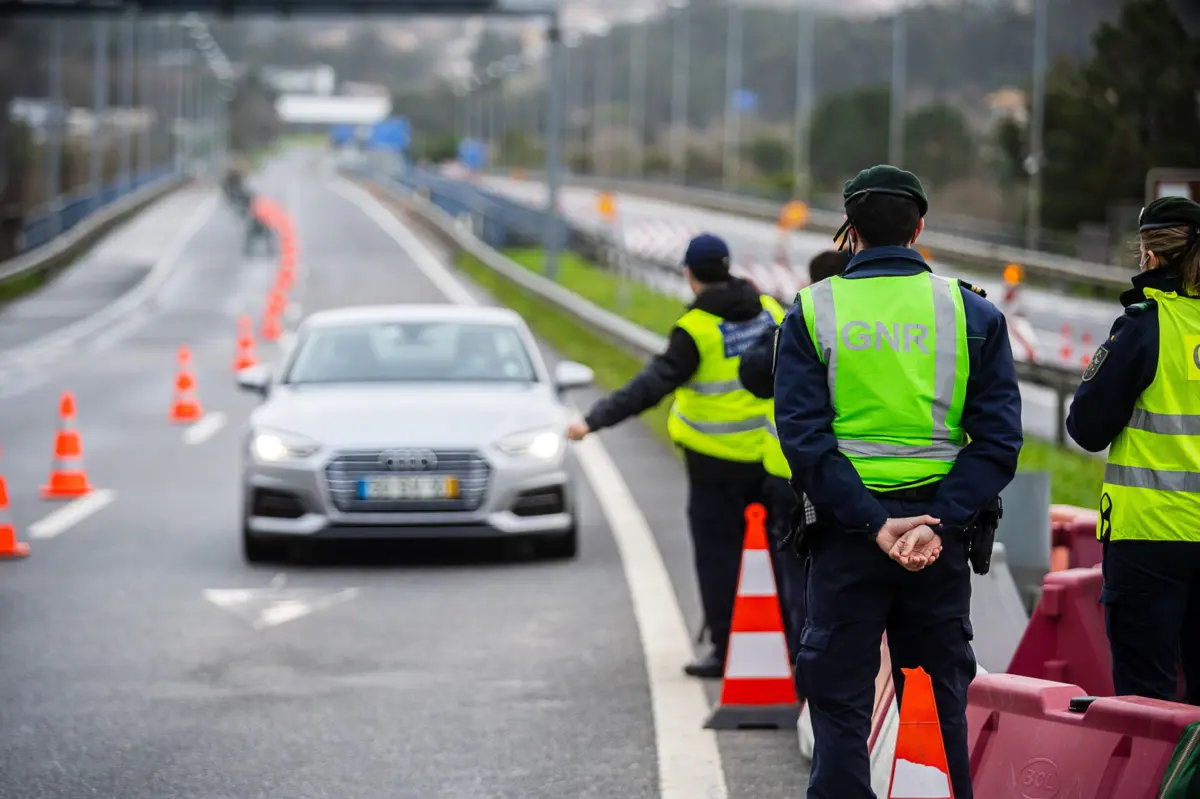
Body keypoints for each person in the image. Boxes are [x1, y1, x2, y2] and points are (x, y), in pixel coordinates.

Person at [774, 165, 1022, 799]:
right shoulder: (971, 313)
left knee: (839, 708)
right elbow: (997, 442)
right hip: (938, 542)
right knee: (941, 711)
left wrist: (874, 523)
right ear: (920, 228)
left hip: (845, 534)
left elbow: (805, 443)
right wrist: (939, 518)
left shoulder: (811, 310)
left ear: (850, 231)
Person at [567, 233, 784, 678]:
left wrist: (592, 420)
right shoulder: (773, 312)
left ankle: (725, 651)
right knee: (784, 554)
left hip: (715, 462)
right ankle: (792, 648)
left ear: (689, 275)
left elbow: (651, 386)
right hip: (774, 459)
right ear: (729, 268)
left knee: (719, 556)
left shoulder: (696, 330)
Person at [1066, 196, 1200, 706]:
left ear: (1150, 256)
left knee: (1148, 701)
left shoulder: (1146, 326)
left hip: (1151, 538)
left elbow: (1087, 427)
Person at [738, 249, 850, 666]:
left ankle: (803, 665)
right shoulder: (871, 329)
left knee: (796, 580)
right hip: (856, 481)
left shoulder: (798, 322)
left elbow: (753, 375)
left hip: (790, 477)